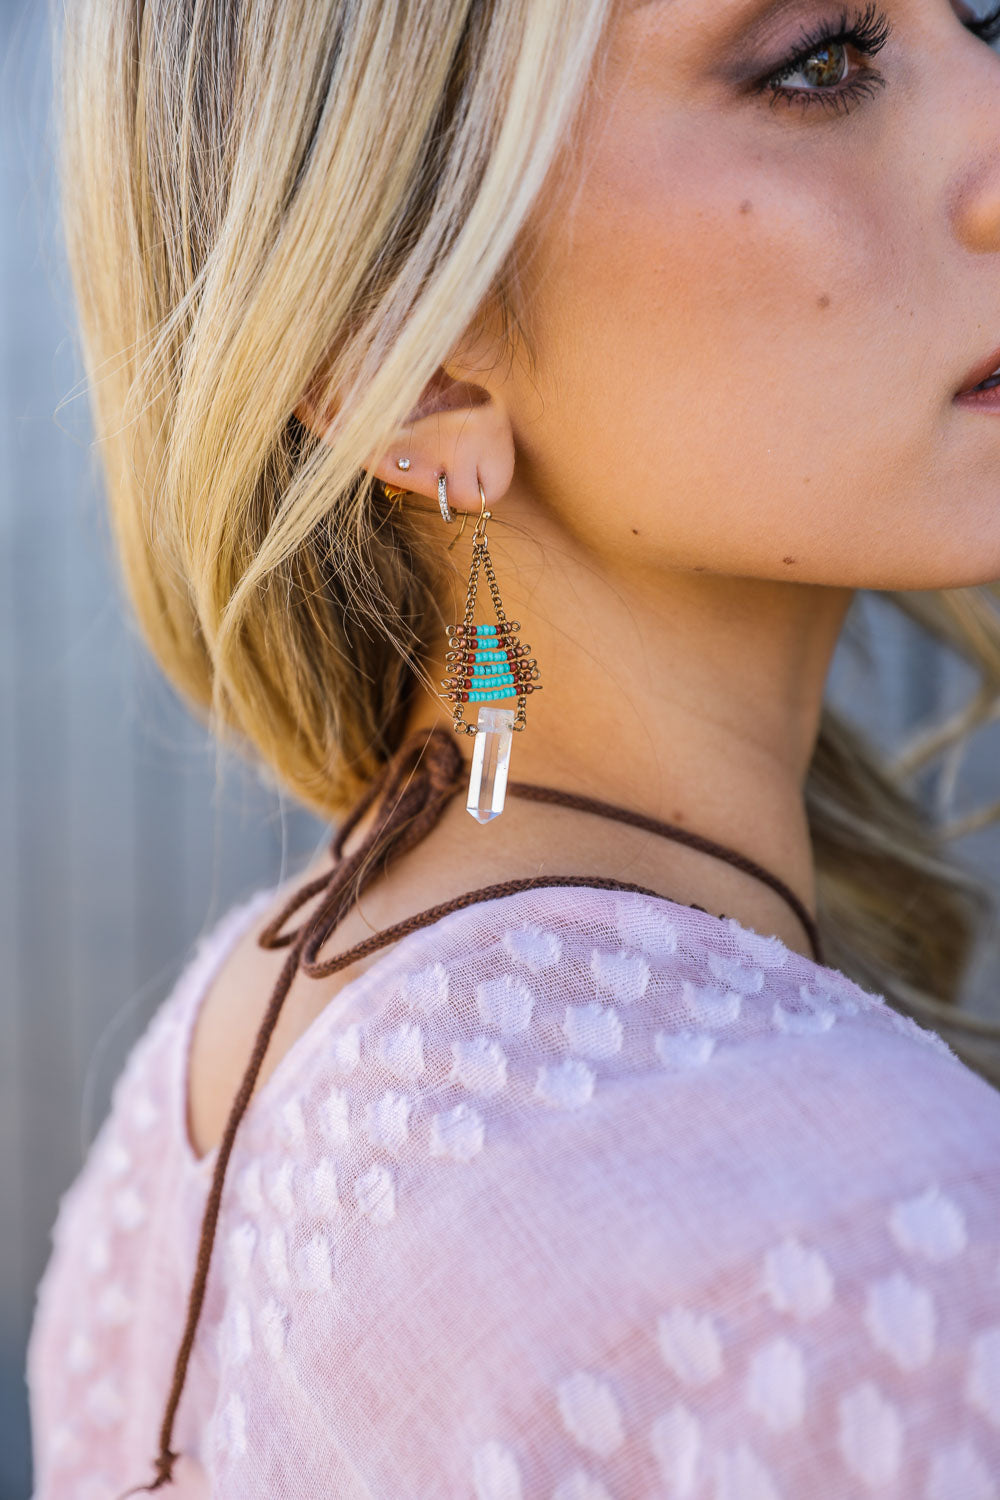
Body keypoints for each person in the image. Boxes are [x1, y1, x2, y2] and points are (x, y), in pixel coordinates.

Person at [26, 0, 1000, 1495]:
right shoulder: (852, 1244)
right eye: (821, 62)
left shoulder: (219, 1066)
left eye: (985, 16)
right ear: (421, 370)